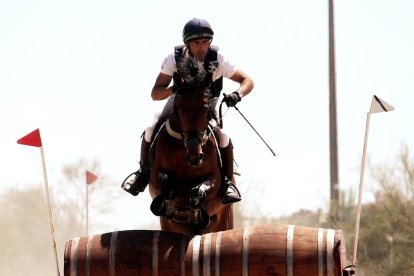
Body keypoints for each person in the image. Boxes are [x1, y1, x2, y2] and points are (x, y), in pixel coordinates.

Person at [121, 18, 254, 205]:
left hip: (206, 104)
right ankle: (143, 173)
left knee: (223, 136)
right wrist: (172, 90)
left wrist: (237, 94)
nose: (201, 47)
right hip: (178, 102)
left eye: (205, 42)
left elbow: (248, 80)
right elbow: (155, 94)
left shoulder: (219, 59)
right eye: (196, 43)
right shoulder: (173, 60)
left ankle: (226, 182)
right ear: (187, 44)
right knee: (151, 128)